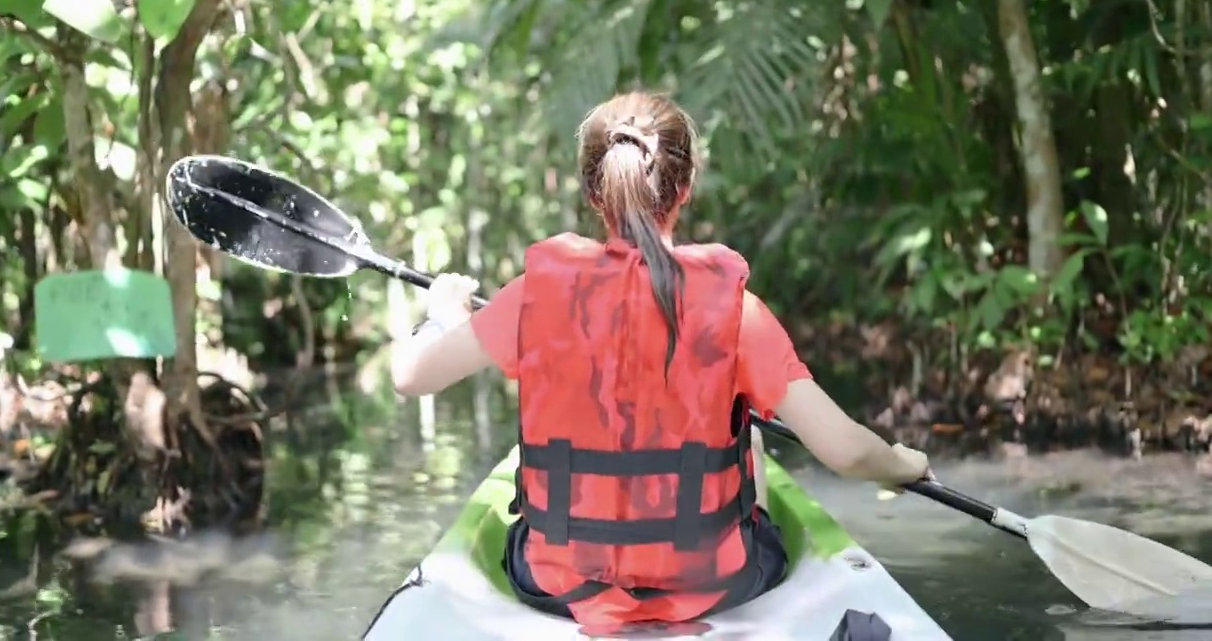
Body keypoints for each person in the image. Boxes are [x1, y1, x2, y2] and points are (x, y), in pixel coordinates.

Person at [388, 91, 931, 629]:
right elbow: (849, 452)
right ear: (687, 185)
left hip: (557, 585)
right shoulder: (736, 311)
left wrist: (441, 315)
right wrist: (903, 463)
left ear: (594, 195)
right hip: (715, 585)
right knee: (753, 435)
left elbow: (409, 376)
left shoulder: (533, 296)